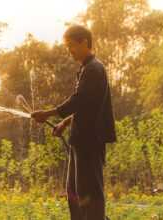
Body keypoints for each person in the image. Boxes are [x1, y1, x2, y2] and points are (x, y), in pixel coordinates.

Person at [31, 25, 117, 220]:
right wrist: (66, 123)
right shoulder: (86, 68)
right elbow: (85, 106)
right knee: (74, 192)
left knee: (90, 193)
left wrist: (48, 113)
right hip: (79, 140)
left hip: (90, 141)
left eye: (71, 46)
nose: (69, 51)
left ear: (84, 42)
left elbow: (79, 100)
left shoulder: (94, 69)